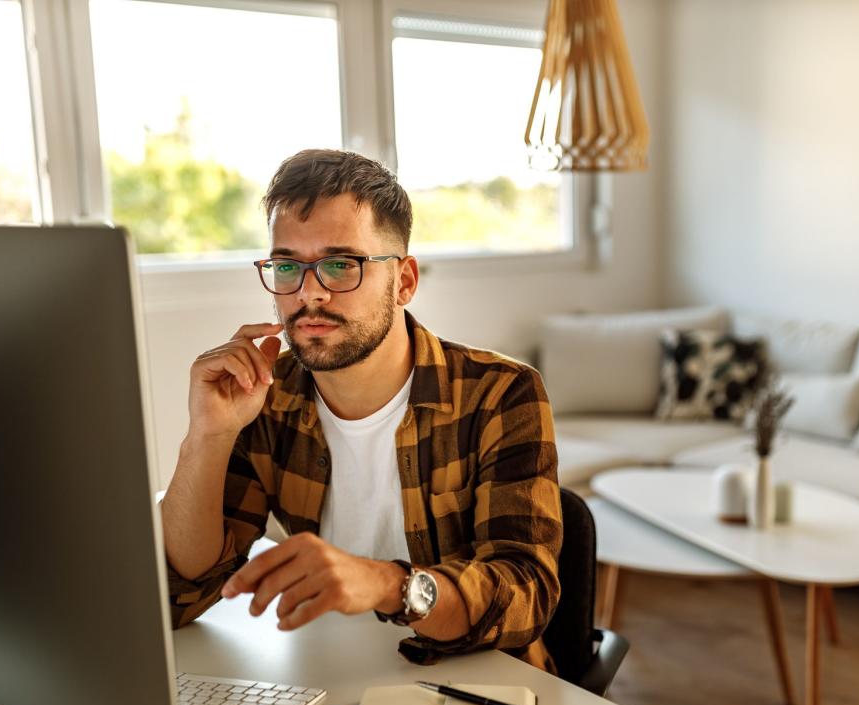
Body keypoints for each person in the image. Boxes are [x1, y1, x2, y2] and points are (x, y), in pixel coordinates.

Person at [161, 149, 562, 671]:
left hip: (482, 687)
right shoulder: (264, 396)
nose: (310, 294)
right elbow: (180, 595)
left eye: (339, 264)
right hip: (331, 672)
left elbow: (525, 595)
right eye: (288, 266)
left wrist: (386, 585)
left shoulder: (500, 395)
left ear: (406, 282)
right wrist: (206, 437)